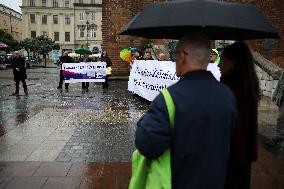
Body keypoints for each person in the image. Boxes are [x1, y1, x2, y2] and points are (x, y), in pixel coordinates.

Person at [135, 33, 237, 189]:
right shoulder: (227, 95)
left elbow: (147, 145)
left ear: (182, 55)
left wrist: (143, 121)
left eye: (175, 54)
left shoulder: (168, 98)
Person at [219, 42, 260, 189]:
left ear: (233, 63)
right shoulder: (248, 86)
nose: (219, 65)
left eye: (223, 60)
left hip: (229, 156)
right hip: (243, 155)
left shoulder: (229, 90)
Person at [273, 71, 284, 141]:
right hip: (282, 98)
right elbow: (279, 83)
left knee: (281, 117)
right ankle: (279, 135)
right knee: (280, 117)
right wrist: (275, 94)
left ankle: (280, 135)